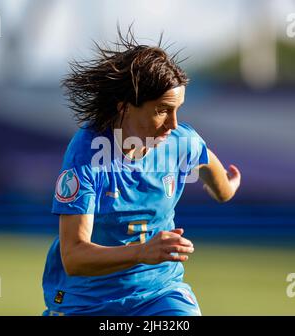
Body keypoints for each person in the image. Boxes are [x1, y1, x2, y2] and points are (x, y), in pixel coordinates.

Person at [42, 28, 241, 316]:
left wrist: (226, 188)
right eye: (162, 110)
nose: (173, 124)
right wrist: (143, 252)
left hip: (160, 293)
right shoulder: (87, 154)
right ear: (125, 107)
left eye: (177, 110)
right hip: (86, 301)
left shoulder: (181, 142)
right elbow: (74, 256)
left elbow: (214, 174)